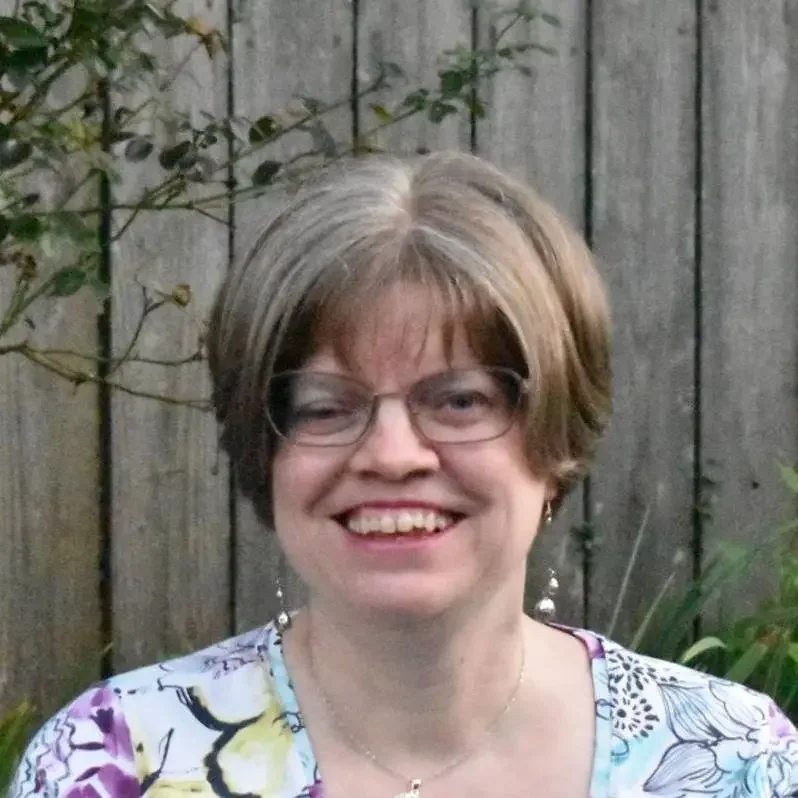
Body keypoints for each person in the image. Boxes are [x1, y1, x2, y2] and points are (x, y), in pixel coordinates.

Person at [10, 151, 798, 798]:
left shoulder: (732, 763)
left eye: (459, 400)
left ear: (556, 440)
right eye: (325, 407)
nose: (391, 454)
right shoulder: (112, 765)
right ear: (264, 450)